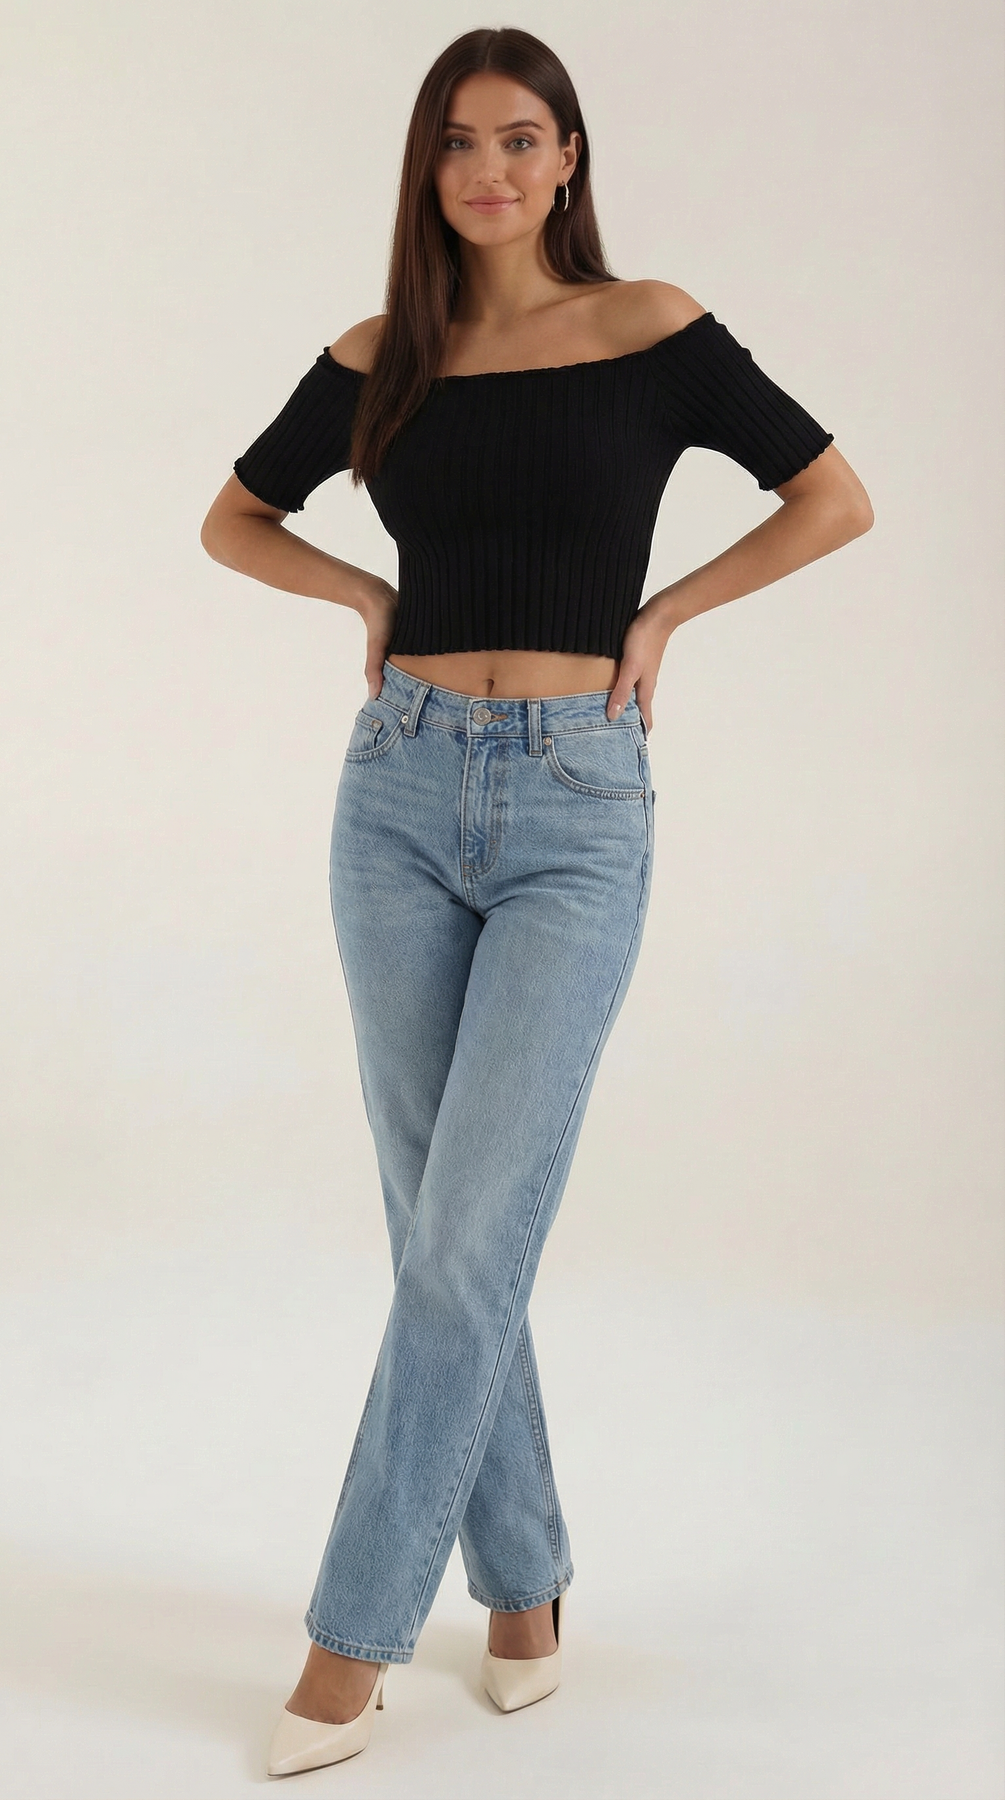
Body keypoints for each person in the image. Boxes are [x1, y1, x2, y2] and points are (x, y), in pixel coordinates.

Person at [201, 24, 873, 1778]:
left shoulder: (651, 327)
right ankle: (525, 1585)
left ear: (569, 156)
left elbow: (834, 496)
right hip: (397, 794)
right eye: (457, 141)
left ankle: (349, 1639)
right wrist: (364, 598)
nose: (488, 169)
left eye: (520, 137)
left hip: (580, 803)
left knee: (464, 1236)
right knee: (440, 1221)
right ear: (425, 167)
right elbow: (233, 519)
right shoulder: (383, 355)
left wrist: (663, 620)